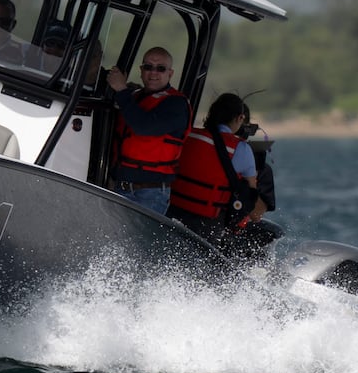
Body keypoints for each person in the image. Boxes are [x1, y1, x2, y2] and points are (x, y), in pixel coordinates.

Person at [169, 92, 275, 249]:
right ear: (240, 119)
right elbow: (253, 207)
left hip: (172, 211)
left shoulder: (189, 135)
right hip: (208, 223)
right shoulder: (243, 150)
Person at [102, 45, 189, 216]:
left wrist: (121, 90)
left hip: (149, 195)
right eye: (148, 67)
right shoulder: (133, 97)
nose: (153, 72)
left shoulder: (177, 104)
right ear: (141, 70)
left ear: (170, 74)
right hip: (119, 187)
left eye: (160, 68)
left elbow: (144, 127)